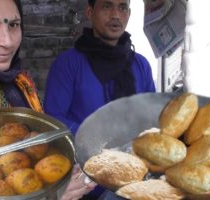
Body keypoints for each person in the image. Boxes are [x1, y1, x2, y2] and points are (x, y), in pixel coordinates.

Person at [0, 0, 95, 199]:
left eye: (13, 25)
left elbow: (38, 147)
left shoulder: (21, 84)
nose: (7, 41)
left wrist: (61, 180)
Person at [44, 0, 156, 198]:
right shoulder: (68, 64)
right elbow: (53, 119)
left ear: (129, 14)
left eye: (122, 7)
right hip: (87, 181)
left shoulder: (141, 65)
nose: (115, 15)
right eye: (106, 6)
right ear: (89, 12)